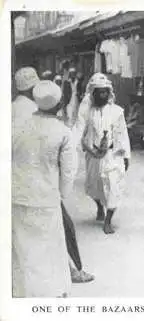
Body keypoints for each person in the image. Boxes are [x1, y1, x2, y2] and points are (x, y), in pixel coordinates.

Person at [12, 80, 77, 297]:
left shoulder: (18, 127)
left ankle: (23, 294)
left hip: (18, 195)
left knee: (23, 250)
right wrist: (61, 195)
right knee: (49, 249)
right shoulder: (63, 132)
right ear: (59, 104)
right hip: (46, 198)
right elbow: (68, 172)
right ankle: (50, 295)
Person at [81, 73, 131, 234]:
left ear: (109, 93)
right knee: (94, 185)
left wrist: (126, 156)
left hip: (112, 155)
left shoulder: (117, 111)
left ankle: (108, 220)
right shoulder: (88, 112)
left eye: (105, 92)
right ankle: (99, 208)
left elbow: (122, 134)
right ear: (93, 93)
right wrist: (90, 149)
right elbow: (84, 134)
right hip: (93, 155)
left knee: (113, 186)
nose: (102, 95)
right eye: (98, 92)